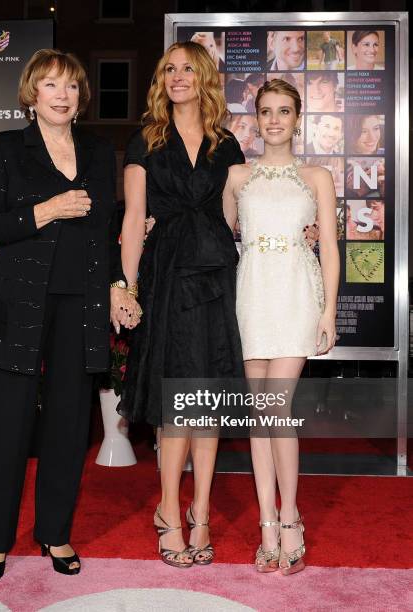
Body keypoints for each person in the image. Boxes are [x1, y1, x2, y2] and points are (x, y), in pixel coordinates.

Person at [0, 49, 132, 583]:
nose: (61, 95)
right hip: (19, 307)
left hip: (79, 304)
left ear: (81, 96)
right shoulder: (6, 148)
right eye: (50, 85)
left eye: (70, 86)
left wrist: (115, 286)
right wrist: (47, 210)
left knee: (67, 426)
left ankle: (55, 533)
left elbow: (108, 231)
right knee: (10, 429)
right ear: (31, 95)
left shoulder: (97, 150)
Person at [116, 41, 245, 568]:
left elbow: (238, 219)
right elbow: (132, 219)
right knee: (176, 399)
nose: (177, 76)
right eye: (169, 68)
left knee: (207, 397)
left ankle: (202, 512)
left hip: (216, 275)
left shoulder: (227, 143)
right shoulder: (145, 140)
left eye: (188, 68)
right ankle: (169, 509)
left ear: (205, 77)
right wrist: (125, 287)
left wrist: (298, 229)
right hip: (167, 274)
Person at [223, 79, 339, 575]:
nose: (274, 120)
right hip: (251, 296)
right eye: (266, 111)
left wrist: (329, 311)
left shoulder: (317, 176)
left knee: (277, 407)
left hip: (295, 295)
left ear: (297, 119)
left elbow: (331, 248)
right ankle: (267, 523)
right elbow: (217, 240)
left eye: (284, 111)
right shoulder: (235, 177)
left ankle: (290, 516)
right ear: (255, 117)